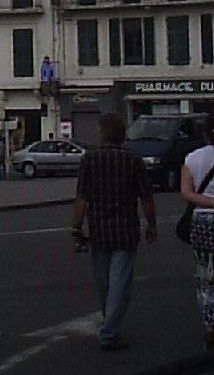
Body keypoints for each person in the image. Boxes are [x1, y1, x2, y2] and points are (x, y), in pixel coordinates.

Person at [71, 112, 156, 351]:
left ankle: (109, 323)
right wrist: (152, 225)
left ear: (101, 134)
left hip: (98, 230)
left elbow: (82, 196)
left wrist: (76, 227)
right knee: (120, 282)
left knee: (103, 283)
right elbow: (146, 197)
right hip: (125, 230)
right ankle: (110, 331)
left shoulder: (89, 159)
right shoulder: (133, 160)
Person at [180, 112, 214, 350]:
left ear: (204, 133)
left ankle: (209, 324)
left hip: (202, 221)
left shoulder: (191, 158)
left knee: (207, 276)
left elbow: (186, 193)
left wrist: (211, 202)